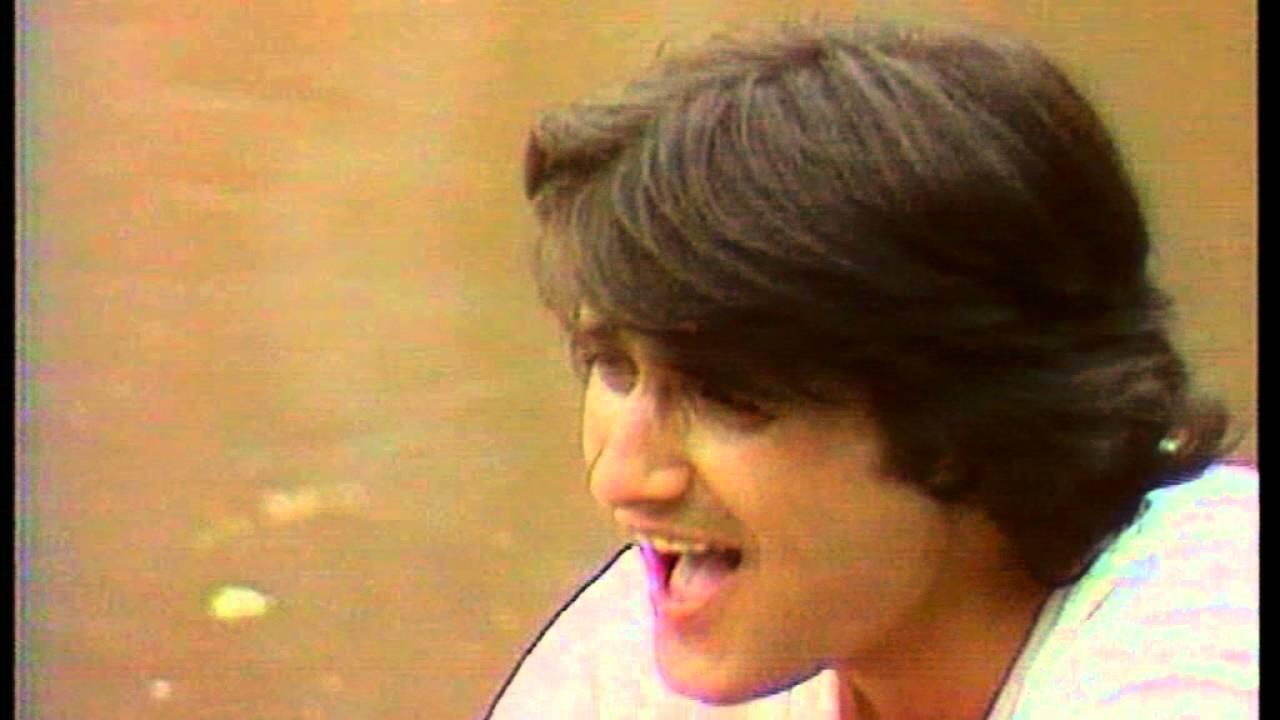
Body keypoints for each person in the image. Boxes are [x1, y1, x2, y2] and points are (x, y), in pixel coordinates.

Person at [487, 20, 1258, 720]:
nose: (622, 479)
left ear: (970, 411)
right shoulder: (653, 640)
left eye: (726, 395)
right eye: (613, 367)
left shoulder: (1207, 642)